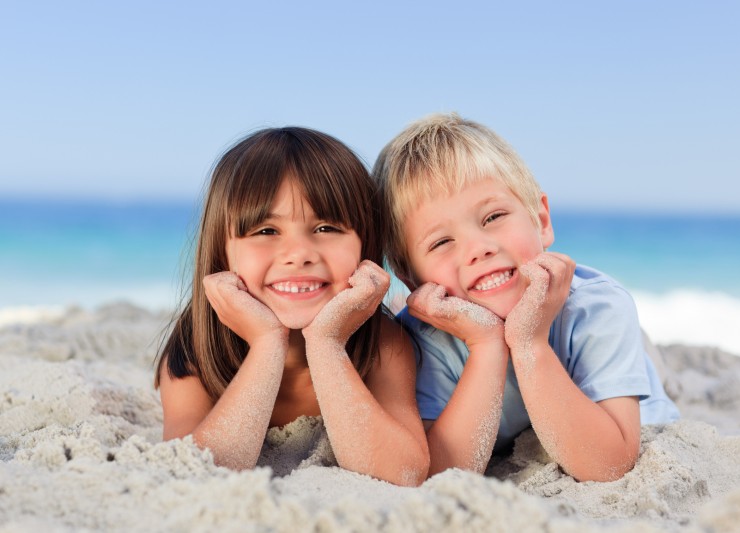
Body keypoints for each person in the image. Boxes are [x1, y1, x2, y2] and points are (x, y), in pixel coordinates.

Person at [372, 113, 679, 482]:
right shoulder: (420, 341)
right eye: (441, 242)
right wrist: (486, 344)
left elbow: (608, 465)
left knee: (638, 359)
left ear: (542, 220)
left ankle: (649, 358)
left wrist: (529, 342)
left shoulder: (598, 307)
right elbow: (443, 474)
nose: (478, 248)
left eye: (493, 217)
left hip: (605, 388)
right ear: (409, 278)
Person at [155, 127, 429, 486]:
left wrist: (327, 344)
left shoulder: (384, 344)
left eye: (327, 227)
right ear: (222, 251)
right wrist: (267, 343)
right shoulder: (195, 348)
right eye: (266, 231)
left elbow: (403, 473)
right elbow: (194, 472)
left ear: (365, 247)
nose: (299, 254)